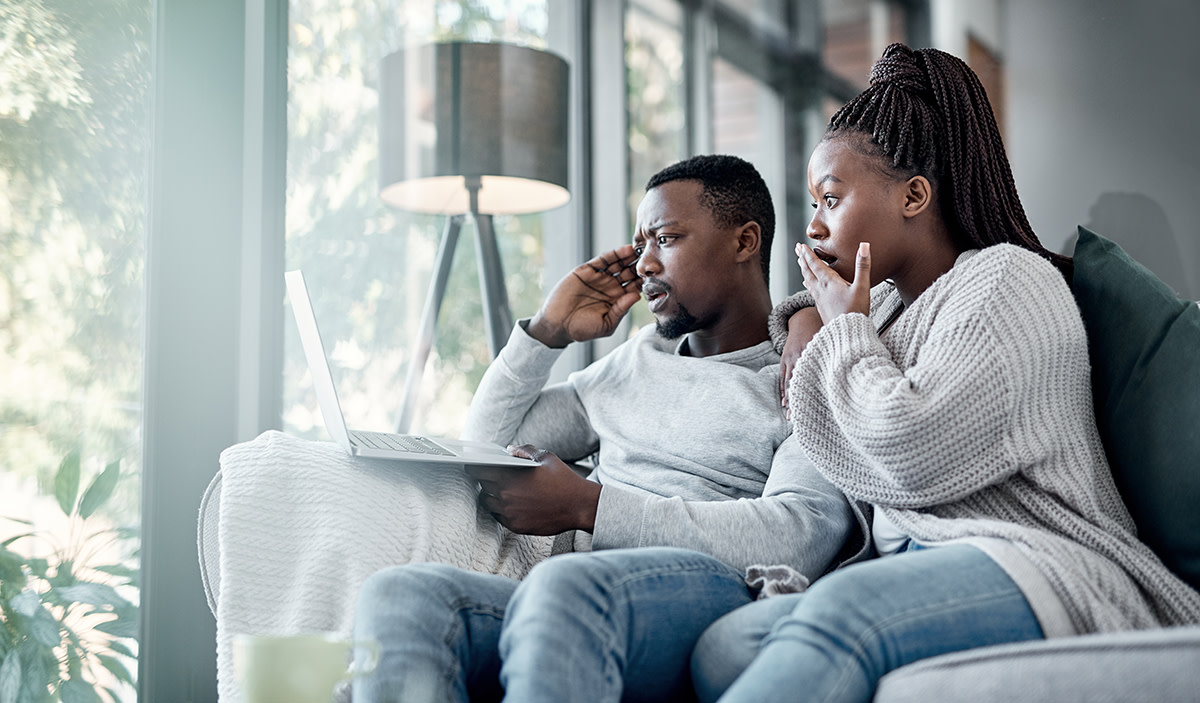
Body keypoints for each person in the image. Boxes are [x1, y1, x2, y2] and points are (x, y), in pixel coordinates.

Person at [683, 42, 1200, 702]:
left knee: (841, 619)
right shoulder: (890, 312)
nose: (813, 225)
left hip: (1036, 557)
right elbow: (830, 437)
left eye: (831, 199)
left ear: (915, 195)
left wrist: (838, 327)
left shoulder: (1008, 282)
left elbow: (909, 447)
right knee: (725, 645)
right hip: (929, 560)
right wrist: (812, 318)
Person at [352, 155, 854, 702]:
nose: (644, 264)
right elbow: (489, 438)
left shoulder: (803, 372)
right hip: (575, 595)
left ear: (744, 242)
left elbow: (799, 534)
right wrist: (546, 333)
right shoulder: (635, 361)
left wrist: (588, 507)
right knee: (400, 594)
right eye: (640, 247)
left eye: (665, 238)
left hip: (707, 587)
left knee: (561, 587)